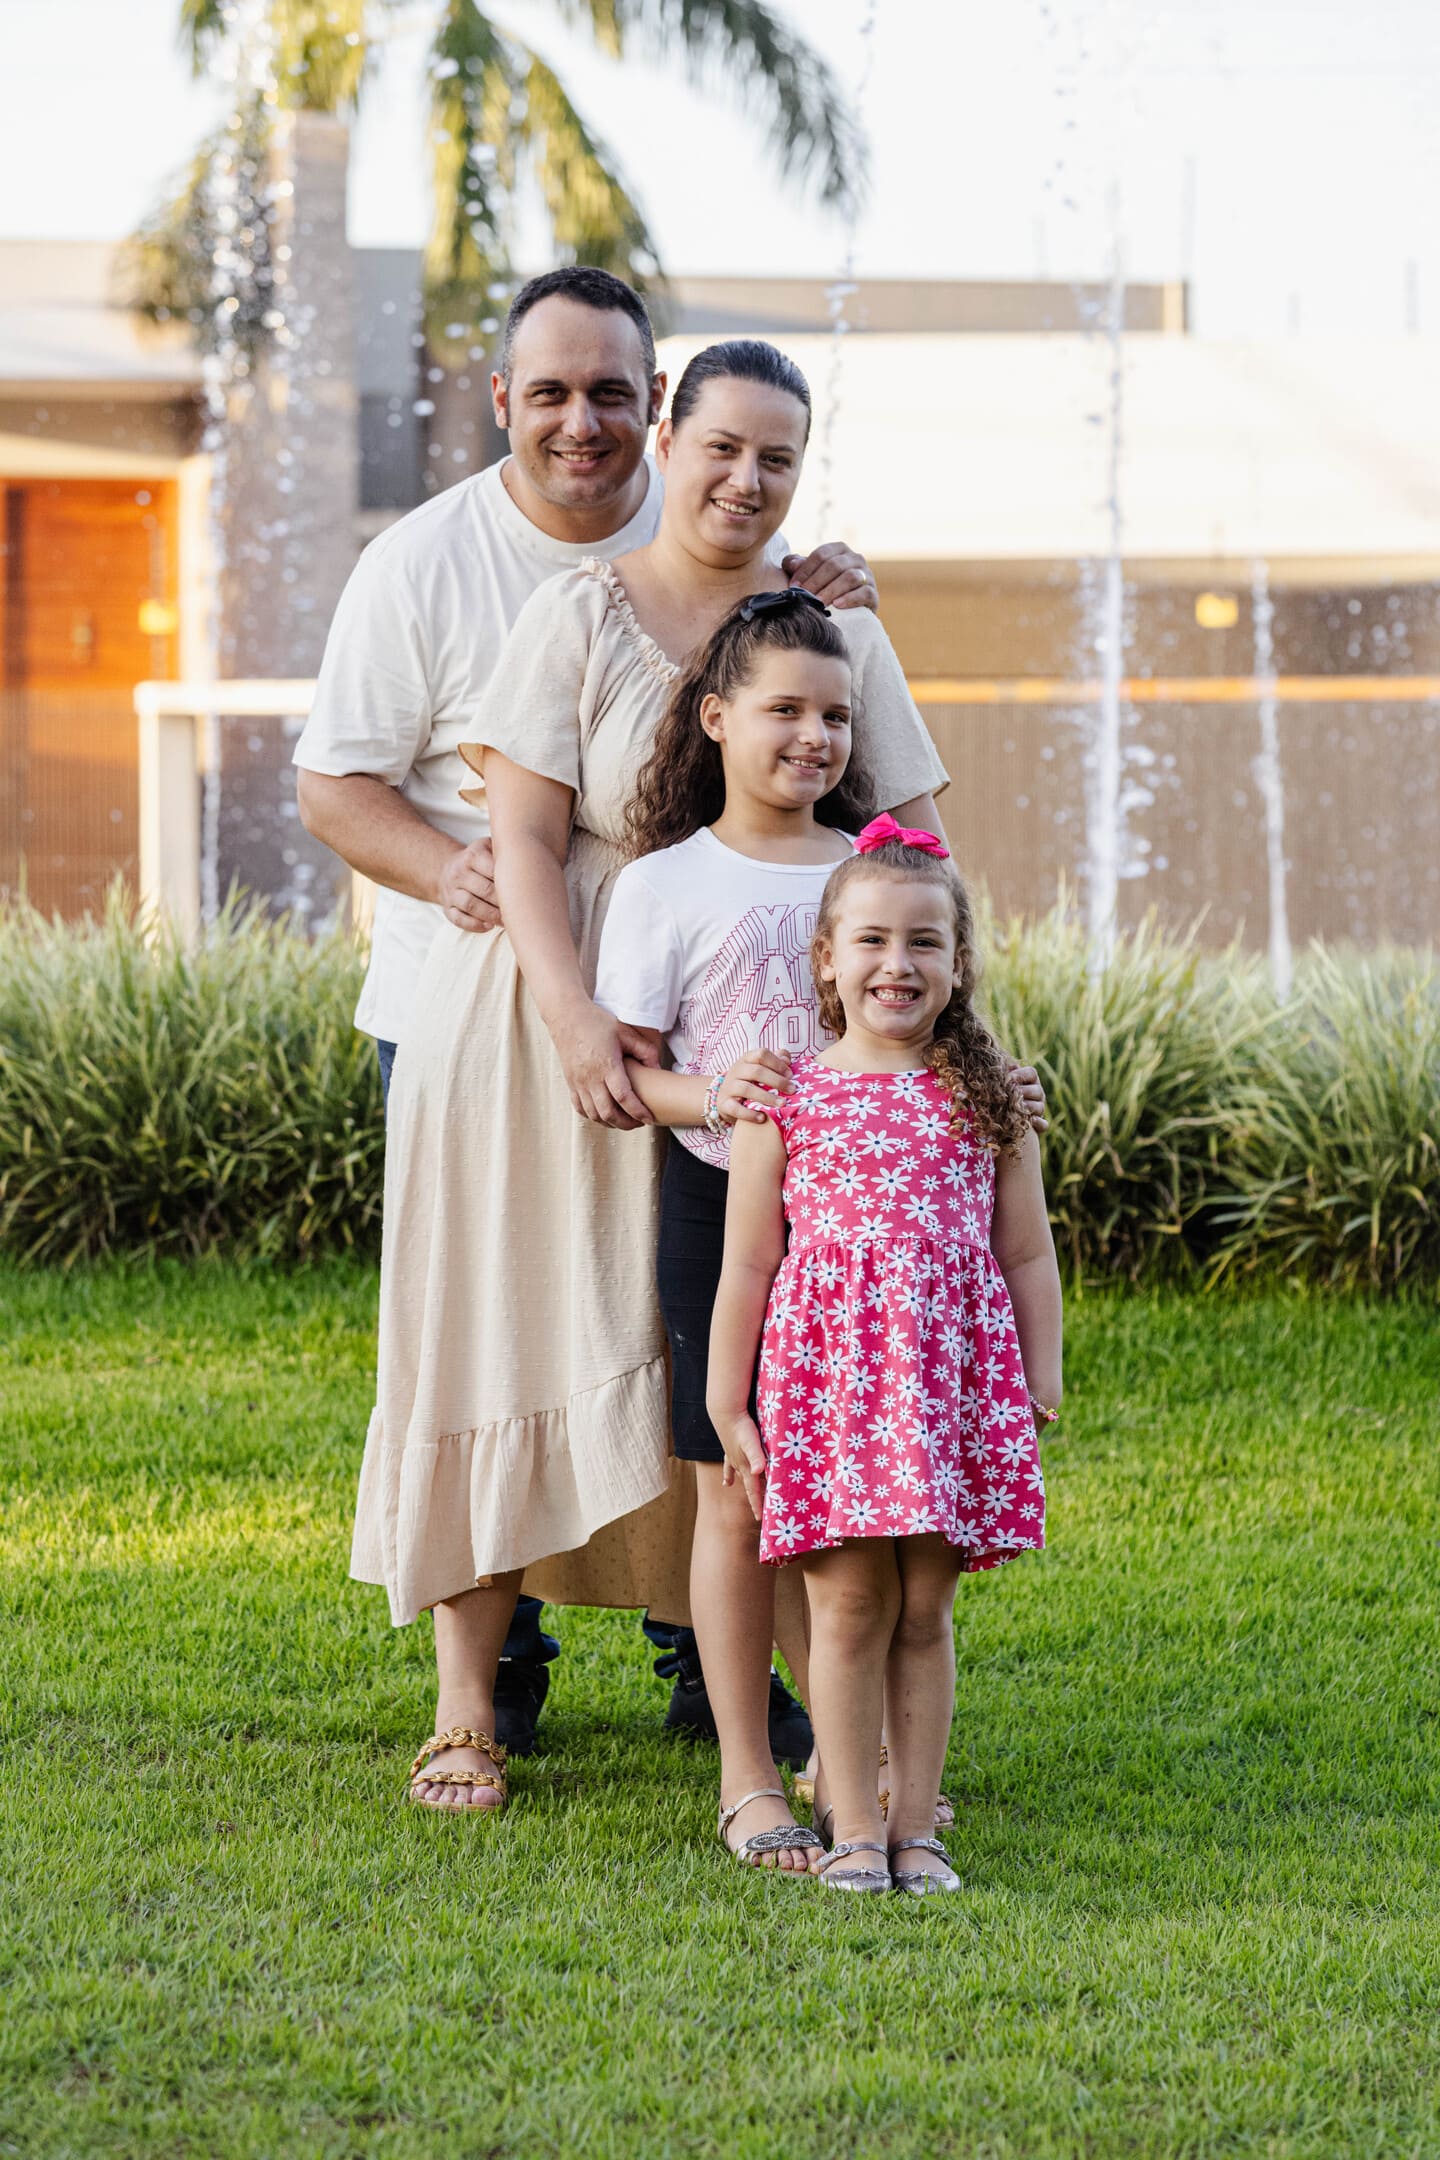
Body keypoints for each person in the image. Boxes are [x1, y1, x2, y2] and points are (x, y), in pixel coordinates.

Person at [358, 337, 950, 1814]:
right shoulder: (574, 614)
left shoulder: (826, 633)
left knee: (734, 1376)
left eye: (779, 461)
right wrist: (571, 1023)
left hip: (764, 1078)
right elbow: (523, 842)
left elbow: (925, 859)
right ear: (671, 440)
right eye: (722, 447)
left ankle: (790, 1713)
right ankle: (469, 1712)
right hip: (559, 1019)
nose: (746, 482)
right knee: (515, 1337)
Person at [593, 593, 1048, 1872]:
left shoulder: (873, 869)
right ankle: (754, 1779)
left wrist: (1002, 1092)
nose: (814, 735)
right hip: (733, 1193)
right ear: (718, 717)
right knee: (739, 1503)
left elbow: (951, 1033)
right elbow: (628, 1070)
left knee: (885, 1551)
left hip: (893, 1220)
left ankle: (877, 1785)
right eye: (786, 709)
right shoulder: (662, 880)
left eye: (837, 715)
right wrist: (726, 1096)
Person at [706, 824, 1063, 1892]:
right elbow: (748, 1268)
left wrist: (1040, 1372)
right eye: (870, 940)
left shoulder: (991, 1098)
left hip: (947, 1392)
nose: (896, 964)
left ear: (957, 966)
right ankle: (852, 1823)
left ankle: (918, 1828)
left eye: (924, 943)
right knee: (848, 1605)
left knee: (925, 1610)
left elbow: (1027, 1248)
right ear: (827, 957)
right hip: (836, 1397)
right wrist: (732, 1405)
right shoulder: (789, 1101)